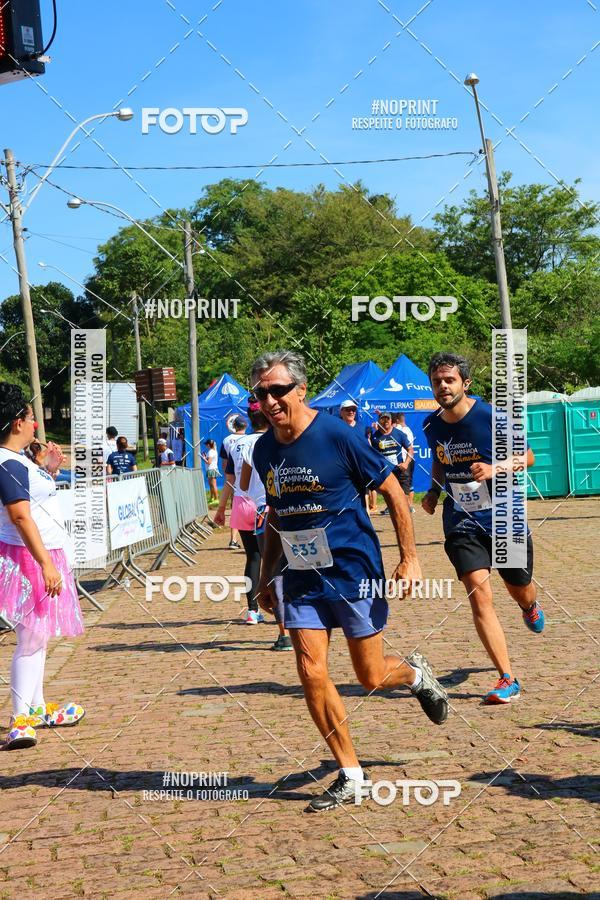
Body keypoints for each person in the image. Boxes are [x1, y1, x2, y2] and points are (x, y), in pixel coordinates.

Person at [250, 350, 448, 812]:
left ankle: (417, 675)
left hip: (353, 570)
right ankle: (352, 773)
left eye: (278, 390)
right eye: (262, 393)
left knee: (371, 676)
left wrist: (411, 558)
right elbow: (275, 515)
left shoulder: (337, 434)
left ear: (300, 390)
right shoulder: (263, 449)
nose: (270, 400)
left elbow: (394, 491)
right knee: (310, 671)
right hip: (300, 576)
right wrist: (264, 578)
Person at [421, 351, 544, 705]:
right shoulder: (432, 425)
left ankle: (529, 606)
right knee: (478, 591)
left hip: (504, 515)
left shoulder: (491, 416)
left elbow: (529, 457)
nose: (443, 387)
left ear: (465, 383)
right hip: (460, 518)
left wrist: (496, 468)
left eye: (449, 380)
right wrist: (432, 491)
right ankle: (507, 677)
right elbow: (440, 461)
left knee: (518, 586)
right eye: (437, 382)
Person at [0, 383, 85, 751]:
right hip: (28, 558)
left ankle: (34, 706)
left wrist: (48, 469)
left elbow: (32, 501)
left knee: (39, 637)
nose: (36, 424)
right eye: (32, 418)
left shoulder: (18, 462)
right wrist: (46, 564)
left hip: (40, 554)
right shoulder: (6, 463)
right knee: (31, 639)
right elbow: (20, 516)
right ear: (18, 422)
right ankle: (21, 717)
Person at [239, 399, 292, 648]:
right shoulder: (293, 438)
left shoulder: (254, 446)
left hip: (265, 511)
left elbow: (243, 485)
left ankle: (284, 634)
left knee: (275, 573)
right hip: (296, 510)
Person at [214, 405, 268, 627]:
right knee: (276, 560)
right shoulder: (272, 441)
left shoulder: (238, 444)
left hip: (241, 502)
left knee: (253, 558)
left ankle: (252, 611)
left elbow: (230, 480)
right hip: (265, 504)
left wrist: (220, 509)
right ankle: (283, 610)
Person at [370, 412, 412, 515]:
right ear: (379, 421)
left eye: (387, 419)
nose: (385, 421)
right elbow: (372, 454)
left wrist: (406, 464)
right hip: (386, 472)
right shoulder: (375, 437)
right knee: (390, 496)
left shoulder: (399, 434)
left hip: (400, 470)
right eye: (383, 419)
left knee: (404, 496)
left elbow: (410, 450)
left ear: (391, 420)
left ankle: (405, 511)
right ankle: (394, 511)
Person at [219, 417, 247, 549]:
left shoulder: (226, 440)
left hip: (232, 478)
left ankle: (233, 539)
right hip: (247, 478)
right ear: (245, 427)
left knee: (235, 508)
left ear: (233, 426)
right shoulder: (249, 439)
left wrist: (228, 479)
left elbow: (225, 463)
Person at [393, 413, 416, 512]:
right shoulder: (407, 429)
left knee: (405, 484)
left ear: (397, 421)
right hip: (407, 459)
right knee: (406, 483)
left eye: (394, 421)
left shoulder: (402, 431)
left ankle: (409, 506)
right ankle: (408, 505)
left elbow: (390, 429)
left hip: (406, 459)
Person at [201, 439, 219, 503]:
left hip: (211, 469)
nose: (206, 445)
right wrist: (205, 457)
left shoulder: (211, 452)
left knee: (213, 485)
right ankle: (212, 498)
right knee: (211, 484)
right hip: (211, 469)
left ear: (208, 445)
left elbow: (209, 462)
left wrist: (203, 458)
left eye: (206, 444)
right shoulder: (213, 451)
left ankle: (216, 499)